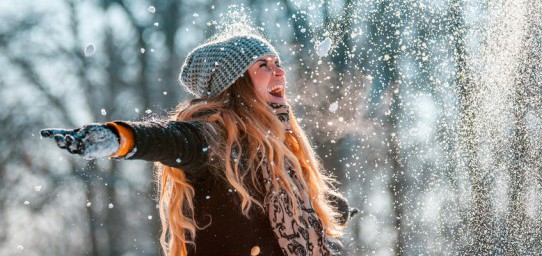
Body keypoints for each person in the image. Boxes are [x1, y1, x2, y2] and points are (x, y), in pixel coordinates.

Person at [40, 33, 357, 256]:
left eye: (277, 62)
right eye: (263, 65)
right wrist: (118, 137)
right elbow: (168, 138)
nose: (279, 71)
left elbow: (283, 204)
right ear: (237, 84)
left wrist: (327, 209)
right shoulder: (215, 138)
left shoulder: (278, 152)